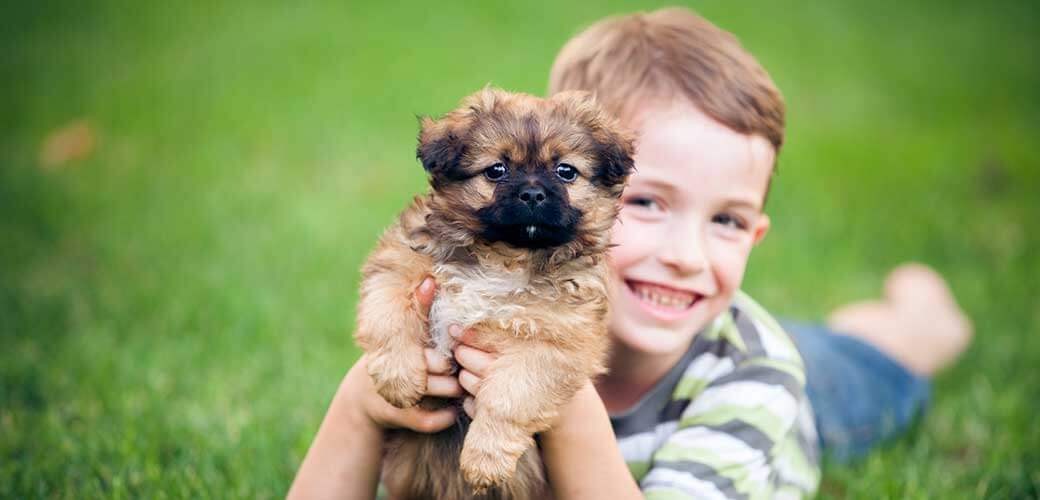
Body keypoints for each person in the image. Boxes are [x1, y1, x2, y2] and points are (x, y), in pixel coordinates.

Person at [288, 7, 972, 499]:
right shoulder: (487, 281)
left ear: (757, 235)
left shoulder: (758, 387)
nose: (683, 255)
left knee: (879, 355)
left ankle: (919, 318)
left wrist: (566, 405)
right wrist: (360, 402)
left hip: (808, 393)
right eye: (648, 203)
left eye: (726, 219)